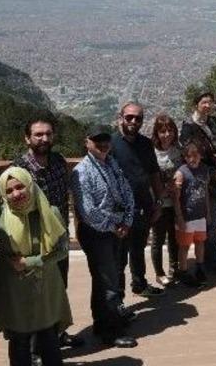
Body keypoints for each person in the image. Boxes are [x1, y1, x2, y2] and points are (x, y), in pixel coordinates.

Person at [0, 167, 72, 366]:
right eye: (9, 190)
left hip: (45, 285)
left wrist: (30, 262)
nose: (16, 194)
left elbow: (63, 250)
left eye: (20, 187)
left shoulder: (50, 212)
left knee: (48, 337)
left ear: (30, 185)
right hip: (12, 287)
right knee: (19, 339)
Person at [11, 118, 83, 349]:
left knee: (59, 288)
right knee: (36, 294)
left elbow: (66, 196)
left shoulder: (59, 161)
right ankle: (35, 348)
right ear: (27, 138)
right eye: (38, 134)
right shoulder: (19, 169)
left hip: (59, 236)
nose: (44, 139)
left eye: (48, 134)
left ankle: (57, 334)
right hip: (34, 241)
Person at [70, 125, 137, 348]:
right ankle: (111, 332)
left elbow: (127, 191)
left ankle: (103, 322)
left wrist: (127, 221)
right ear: (87, 142)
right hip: (97, 233)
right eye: (96, 140)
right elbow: (88, 211)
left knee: (108, 279)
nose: (102, 144)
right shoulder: (81, 172)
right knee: (107, 282)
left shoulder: (112, 162)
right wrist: (113, 226)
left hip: (117, 229)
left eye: (105, 139)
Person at [110, 102, 166, 298]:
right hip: (120, 210)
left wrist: (158, 202)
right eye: (129, 117)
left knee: (138, 249)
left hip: (143, 205)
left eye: (138, 118)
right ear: (121, 118)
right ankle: (117, 299)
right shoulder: (110, 144)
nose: (133, 121)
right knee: (119, 256)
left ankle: (139, 284)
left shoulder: (145, 144)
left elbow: (154, 173)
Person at [179, 91, 216, 274]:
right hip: (201, 181)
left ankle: (210, 257)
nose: (208, 106)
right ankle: (212, 259)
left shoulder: (213, 122)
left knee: (211, 219)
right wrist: (211, 173)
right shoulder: (188, 127)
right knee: (207, 221)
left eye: (210, 102)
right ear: (196, 104)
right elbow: (190, 156)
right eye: (204, 102)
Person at [172, 142, 211, 287]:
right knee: (184, 246)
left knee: (200, 242)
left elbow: (205, 192)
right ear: (184, 157)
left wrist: (207, 212)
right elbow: (175, 197)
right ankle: (183, 271)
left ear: (200, 155)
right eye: (188, 156)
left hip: (200, 215)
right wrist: (179, 217)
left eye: (195, 155)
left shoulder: (204, 170)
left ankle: (200, 267)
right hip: (186, 216)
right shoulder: (181, 173)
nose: (192, 159)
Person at [151, 114, 181, 287]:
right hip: (159, 202)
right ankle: (159, 273)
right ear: (157, 133)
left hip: (176, 202)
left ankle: (174, 267)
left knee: (174, 237)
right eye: (162, 131)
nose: (167, 134)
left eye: (170, 130)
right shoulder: (151, 152)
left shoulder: (178, 150)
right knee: (158, 238)